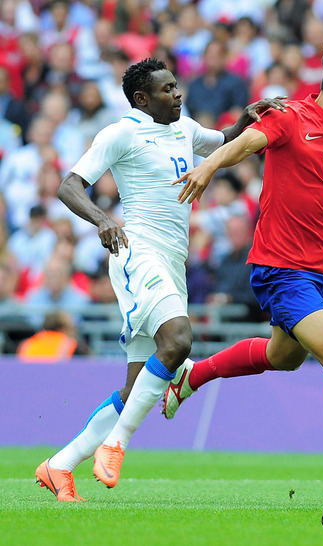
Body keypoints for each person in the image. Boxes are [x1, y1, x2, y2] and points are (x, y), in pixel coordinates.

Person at [163, 33, 323, 489]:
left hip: (318, 269)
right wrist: (209, 165)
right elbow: (246, 142)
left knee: (283, 356)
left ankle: (193, 375)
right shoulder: (288, 117)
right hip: (279, 266)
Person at [34, 57, 285, 502]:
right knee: (179, 341)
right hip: (138, 253)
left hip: (172, 262)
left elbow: (225, 140)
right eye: (167, 89)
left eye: (176, 86)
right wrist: (102, 219)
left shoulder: (184, 128)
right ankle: (116, 445)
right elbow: (69, 185)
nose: (178, 93)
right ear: (142, 98)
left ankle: (60, 464)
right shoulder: (120, 133)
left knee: (136, 387)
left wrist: (247, 118)